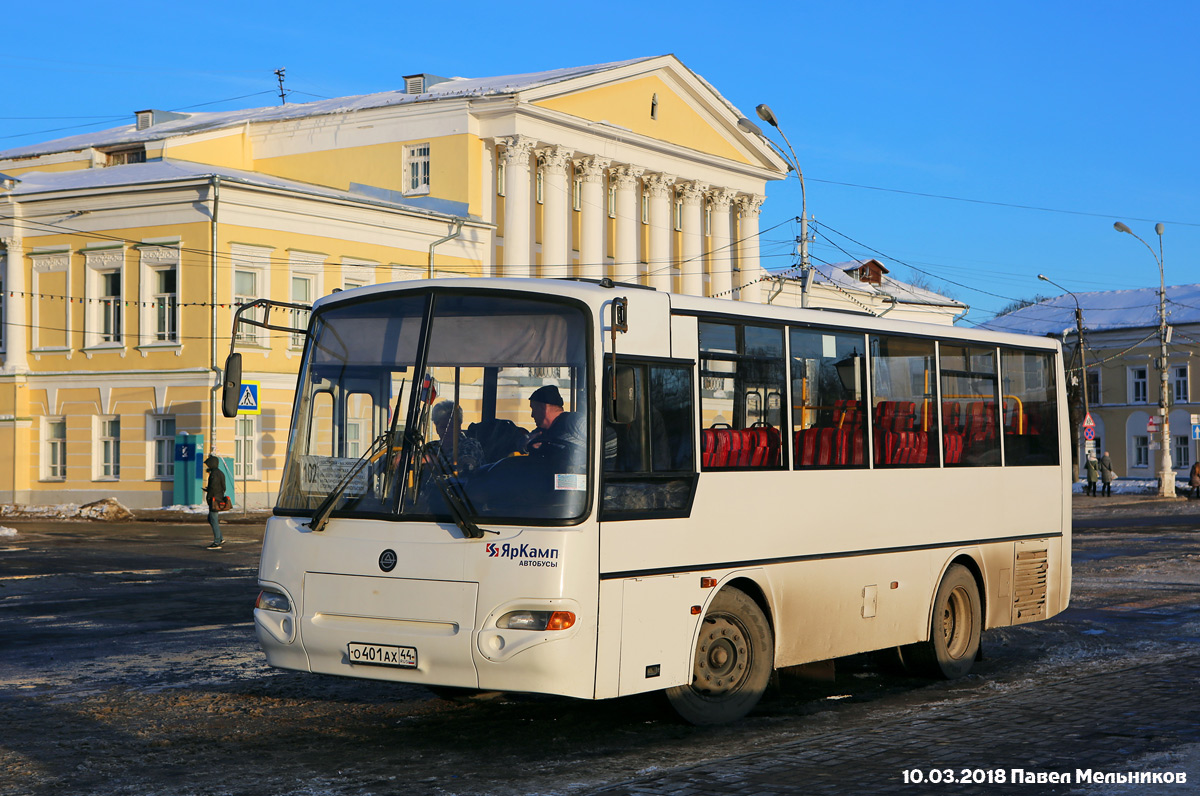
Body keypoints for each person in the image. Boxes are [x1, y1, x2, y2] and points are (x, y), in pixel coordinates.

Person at [526, 384, 585, 464]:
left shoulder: (574, 422)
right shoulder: (540, 432)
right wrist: (528, 444)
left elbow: (602, 443)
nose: (532, 415)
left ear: (544, 408)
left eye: (534, 409)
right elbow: (521, 443)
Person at [429, 400, 484, 474]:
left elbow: (464, 471)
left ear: (459, 426)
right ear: (436, 428)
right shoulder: (431, 448)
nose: (447, 431)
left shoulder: (470, 445)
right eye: (443, 427)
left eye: (452, 427)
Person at [205, 454, 227, 549]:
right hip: (219, 497)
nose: (207, 466)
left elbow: (213, 487)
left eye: (208, 464)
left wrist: (209, 495)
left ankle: (217, 541)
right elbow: (223, 487)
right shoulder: (220, 473)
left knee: (213, 519)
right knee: (211, 518)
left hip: (214, 499)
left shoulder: (214, 474)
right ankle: (220, 538)